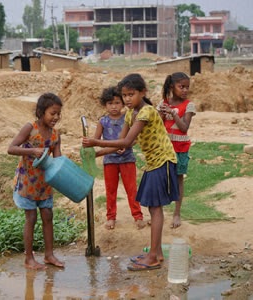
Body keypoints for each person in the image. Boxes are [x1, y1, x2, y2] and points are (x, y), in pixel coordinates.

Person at [82, 74, 179, 271]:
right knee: (153, 208)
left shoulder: (146, 112)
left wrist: (96, 142)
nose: (127, 99)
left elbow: (125, 143)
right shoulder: (130, 114)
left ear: (143, 92)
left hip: (163, 160)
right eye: (124, 95)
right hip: (153, 163)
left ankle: (153, 256)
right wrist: (95, 153)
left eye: (131, 94)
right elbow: (121, 146)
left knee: (155, 208)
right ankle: (157, 253)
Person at [8, 93, 65, 270]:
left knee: (48, 215)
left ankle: (49, 255)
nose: (56, 117)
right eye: (52, 113)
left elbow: (57, 160)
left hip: (44, 182)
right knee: (31, 217)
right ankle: (29, 258)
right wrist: (32, 151)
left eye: (58, 114)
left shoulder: (55, 135)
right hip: (27, 181)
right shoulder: (30, 128)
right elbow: (11, 148)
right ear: (41, 112)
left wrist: (65, 173)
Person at [93, 87, 145, 230]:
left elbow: (135, 138)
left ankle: (138, 216)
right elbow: (95, 141)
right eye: (110, 103)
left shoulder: (128, 118)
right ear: (105, 105)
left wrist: (127, 145)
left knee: (131, 189)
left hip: (127, 158)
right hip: (110, 161)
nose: (114, 106)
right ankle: (111, 217)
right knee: (111, 190)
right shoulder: (103, 122)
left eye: (117, 103)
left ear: (122, 104)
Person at [157, 72, 196, 229]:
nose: (185, 90)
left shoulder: (189, 105)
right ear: (172, 87)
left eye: (187, 87)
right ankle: (158, 213)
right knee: (161, 178)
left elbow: (184, 128)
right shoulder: (163, 103)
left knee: (178, 179)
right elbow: (157, 126)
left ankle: (177, 213)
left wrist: (173, 114)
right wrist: (161, 113)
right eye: (181, 87)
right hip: (164, 147)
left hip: (180, 148)